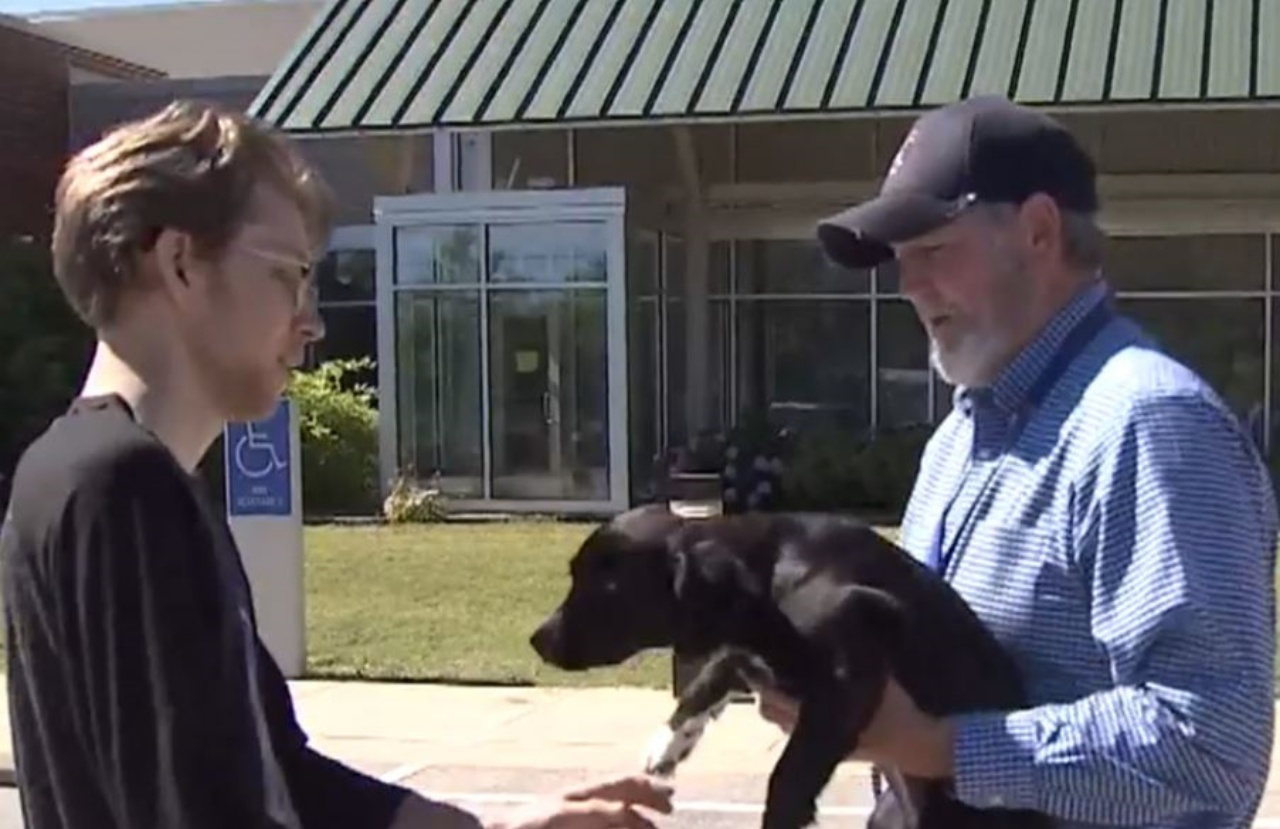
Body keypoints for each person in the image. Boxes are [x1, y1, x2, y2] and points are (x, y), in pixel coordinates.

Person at [0, 100, 673, 829]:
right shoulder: (121, 486)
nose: (312, 318)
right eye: (289, 274)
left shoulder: (100, 475)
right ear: (180, 262)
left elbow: (277, 772)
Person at [760, 94, 1278, 829]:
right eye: (901, 260)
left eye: (934, 250)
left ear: (1038, 230)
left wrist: (941, 745)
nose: (908, 285)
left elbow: (1213, 744)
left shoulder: (1149, 423)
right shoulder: (960, 440)